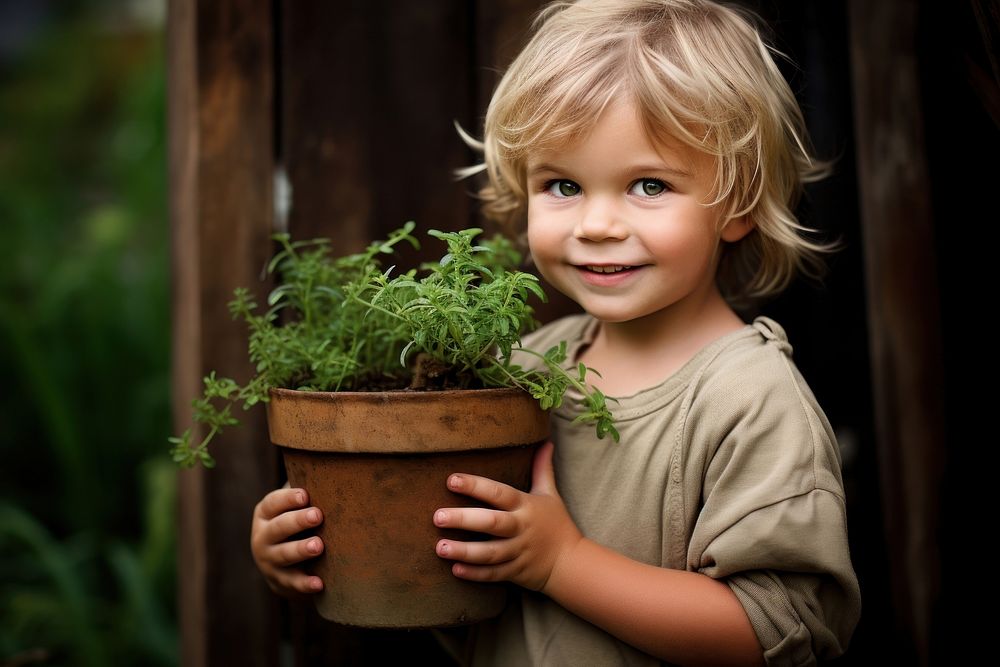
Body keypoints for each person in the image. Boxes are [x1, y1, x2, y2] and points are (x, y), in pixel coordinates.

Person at [250, 0, 861, 664]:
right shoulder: (521, 370)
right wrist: (316, 544)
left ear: (739, 202)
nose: (597, 223)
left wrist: (562, 562)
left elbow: (777, 630)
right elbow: (448, 557)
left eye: (649, 184)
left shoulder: (751, 398)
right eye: (563, 184)